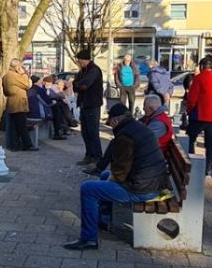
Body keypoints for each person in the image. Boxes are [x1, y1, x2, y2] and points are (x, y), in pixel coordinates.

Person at [63, 103, 171, 250]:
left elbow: (120, 171)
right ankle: (104, 219)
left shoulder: (125, 136)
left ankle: (89, 238)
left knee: (88, 189)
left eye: (110, 123)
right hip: (153, 182)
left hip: (142, 189)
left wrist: (111, 178)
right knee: (105, 175)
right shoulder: (137, 127)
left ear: (115, 121)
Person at [186, 58, 212, 176]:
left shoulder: (199, 78)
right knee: (210, 143)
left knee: (190, 139)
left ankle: (191, 163)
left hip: (199, 115)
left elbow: (192, 98)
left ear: (201, 66)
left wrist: (189, 111)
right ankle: (209, 168)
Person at [73, 49, 103, 165]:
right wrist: (77, 84)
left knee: (93, 131)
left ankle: (97, 155)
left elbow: (85, 84)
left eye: (80, 61)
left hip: (92, 104)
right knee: (85, 132)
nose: (79, 63)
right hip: (84, 104)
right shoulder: (83, 71)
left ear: (85, 60)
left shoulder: (94, 70)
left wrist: (78, 84)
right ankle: (89, 154)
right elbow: (76, 84)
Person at [2, 58, 38, 151]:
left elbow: (5, 92)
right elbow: (27, 84)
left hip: (12, 102)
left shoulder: (6, 75)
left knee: (14, 126)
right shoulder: (14, 75)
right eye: (21, 66)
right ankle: (27, 145)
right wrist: (23, 74)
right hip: (18, 103)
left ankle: (15, 145)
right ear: (17, 67)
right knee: (21, 125)